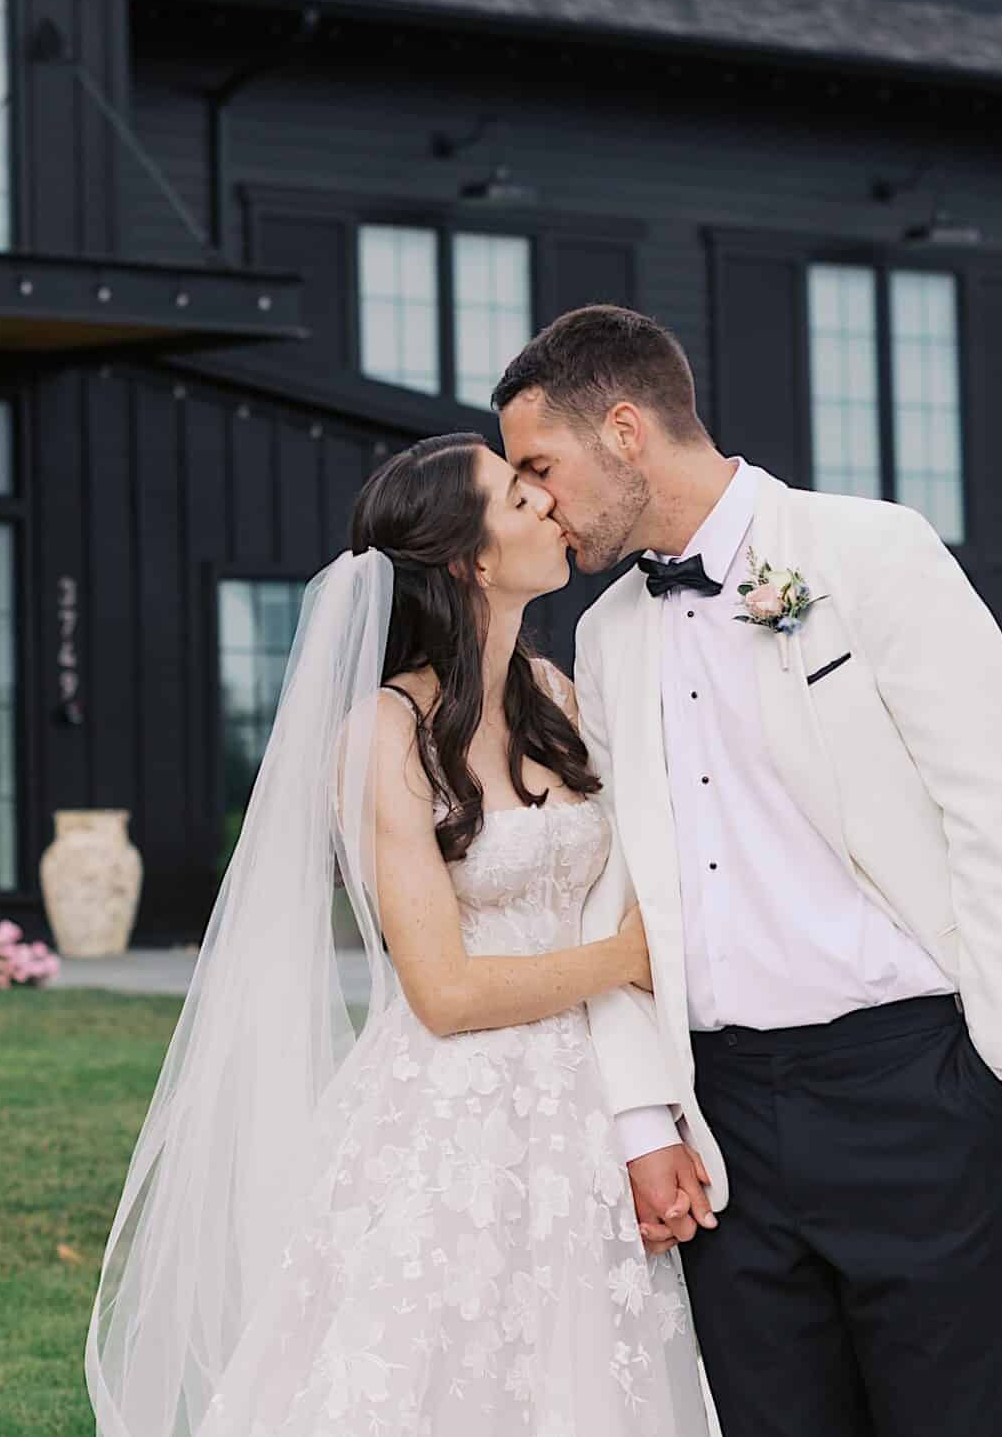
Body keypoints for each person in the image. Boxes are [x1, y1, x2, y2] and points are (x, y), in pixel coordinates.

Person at [494, 303, 1002, 1437]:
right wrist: (645, 1116)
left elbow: (992, 801)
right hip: (726, 1120)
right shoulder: (605, 635)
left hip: (919, 1087)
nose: (535, 499)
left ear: (627, 432)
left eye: (541, 466)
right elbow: (614, 889)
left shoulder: (871, 550)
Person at [86, 430, 714, 1437]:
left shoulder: (557, 700)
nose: (551, 508)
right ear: (468, 559)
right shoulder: (382, 736)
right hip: (456, 1120)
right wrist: (627, 961)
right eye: (519, 499)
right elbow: (445, 992)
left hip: (591, 1104)